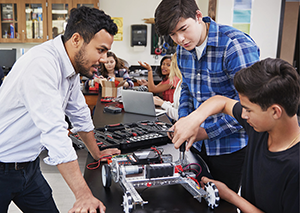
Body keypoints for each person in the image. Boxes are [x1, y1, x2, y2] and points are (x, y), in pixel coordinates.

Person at [0, 6, 120, 213]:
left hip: (28, 167)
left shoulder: (70, 66)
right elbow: (55, 131)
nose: (103, 58)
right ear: (76, 40)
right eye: (100, 50)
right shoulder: (42, 64)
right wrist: (83, 195)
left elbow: (79, 113)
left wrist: (96, 152)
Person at [155, 0, 260, 192]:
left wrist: (204, 131)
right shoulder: (183, 49)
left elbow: (252, 109)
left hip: (230, 149)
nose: (180, 39)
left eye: (183, 29)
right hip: (197, 145)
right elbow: (187, 87)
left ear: (198, 16)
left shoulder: (235, 46)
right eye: (173, 35)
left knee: (221, 203)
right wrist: (185, 120)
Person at [171, 58, 299, 213]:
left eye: (248, 110)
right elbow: (222, 102)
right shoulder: (264, 127)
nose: (243, 115)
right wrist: (193, 120)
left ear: (275, 111)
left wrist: (230, 195)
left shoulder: (295, 167)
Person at [153, 53, 182, 121]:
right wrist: (161, 102)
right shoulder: (180, 82)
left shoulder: (175, 80)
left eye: (169, 65)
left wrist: (162, 103)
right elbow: (175, 106)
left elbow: (178, 115)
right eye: (163, 64)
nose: (164, 67)